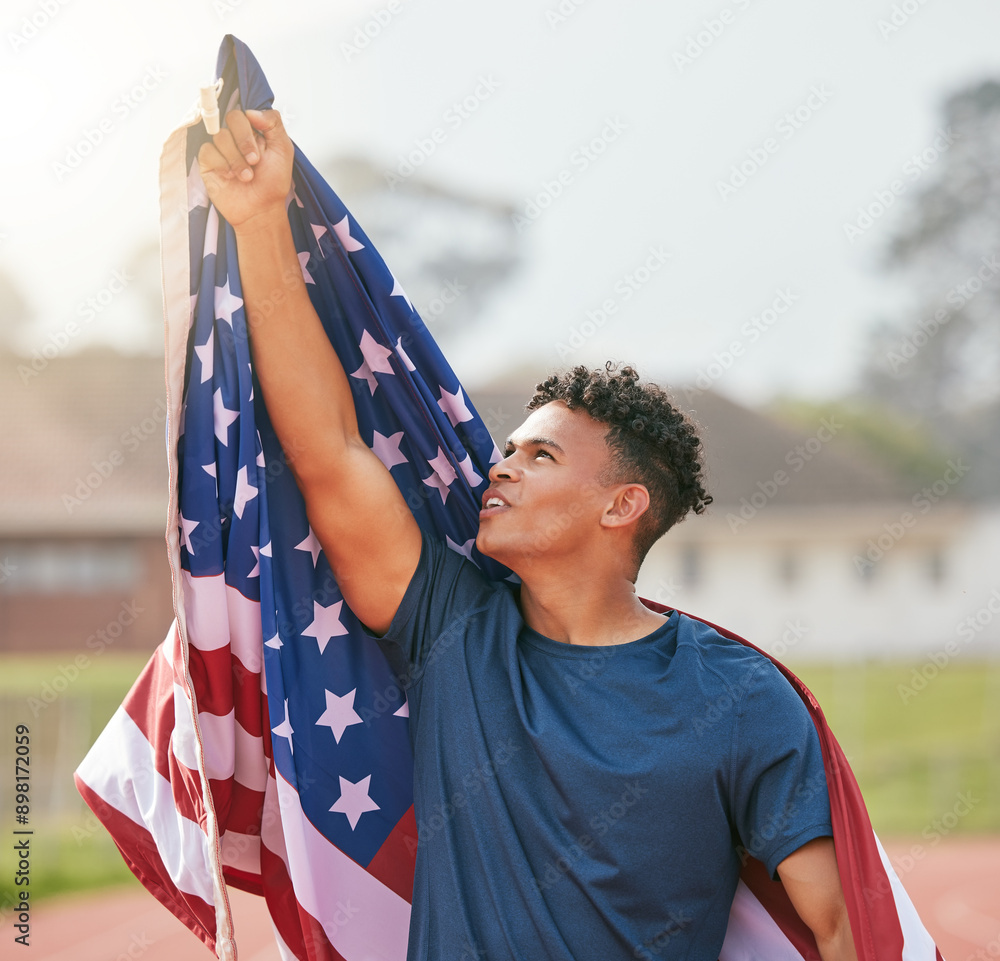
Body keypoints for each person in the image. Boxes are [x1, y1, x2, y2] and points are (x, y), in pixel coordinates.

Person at [198, 108, 859, 961]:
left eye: (538, 454)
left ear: (620, 505)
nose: (498, 468)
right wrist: (258, 223)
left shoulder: (740, 695)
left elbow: (838, 924)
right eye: (506, 448)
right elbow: (330, 450)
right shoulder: (453, 628)